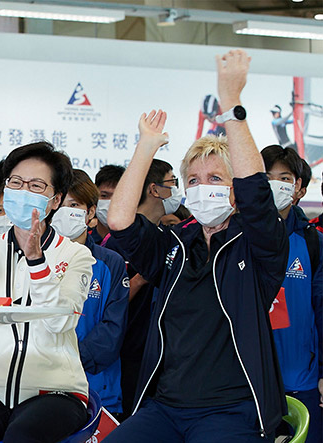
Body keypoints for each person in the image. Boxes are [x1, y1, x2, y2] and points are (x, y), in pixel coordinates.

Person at [106, 50, 289, 442]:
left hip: (232, 411)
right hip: (164, 409)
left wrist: (230, 105)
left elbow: (257, 195)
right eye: (193, 180)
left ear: (234, 192)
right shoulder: (175, 245)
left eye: (215, 178)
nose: (203, 187)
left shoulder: (258, 245)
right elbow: (120, 221)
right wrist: (146, 146)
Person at [0, 141, 95, 443]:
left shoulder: (75, 255)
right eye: (16, 183)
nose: (23, 192)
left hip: (54, 390)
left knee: (21, 437)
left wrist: (37, 261)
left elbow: (60, 322)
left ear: (54, 200)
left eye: (36, 186)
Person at [52, 169, 129, 418]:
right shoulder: (36, 260)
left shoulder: (110, 263)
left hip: (98, 389)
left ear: (91, 212)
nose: (65, 211)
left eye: (73, 204)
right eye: (59, 204)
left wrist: (67, 359)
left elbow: (112, 330)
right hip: (44, 387)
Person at [261, 144, 323, 443]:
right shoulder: (233, 237)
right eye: (267, 176)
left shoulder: (313, 241)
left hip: (301, 375)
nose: (276, 184)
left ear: (297, 185)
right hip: (249, 381)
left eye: (284, 177)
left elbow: (321, 307)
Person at [114, 157, 182, 418]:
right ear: (154, 189)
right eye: (172, 182)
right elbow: (108, 302)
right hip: (126, 352)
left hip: (159, 352)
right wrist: (141, 278)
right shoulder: (117, 241)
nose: (176, 189)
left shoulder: (172, 239)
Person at [91, 164, 125, 245]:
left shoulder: (135, 244)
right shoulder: (84, 240)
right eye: (104, 196)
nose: (111, 203)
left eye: (117, 197)